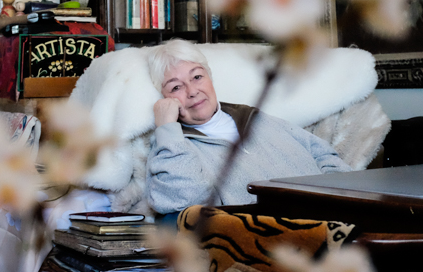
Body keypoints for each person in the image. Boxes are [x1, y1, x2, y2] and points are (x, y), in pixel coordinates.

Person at [145, 40, 352, 214]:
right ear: (164, 99)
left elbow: (324, 156)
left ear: (210, 77)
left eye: (197, 77)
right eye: (176, 87)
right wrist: (168, 128)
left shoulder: (253, 117)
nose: (192, 91)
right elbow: (184, 201)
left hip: (335, 222)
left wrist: (341, 202)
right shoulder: (172, 146)